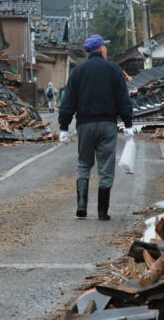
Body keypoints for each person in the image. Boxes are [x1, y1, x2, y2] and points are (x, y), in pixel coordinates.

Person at [57, 35, 133, 221]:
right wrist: (128, 124)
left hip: (85, 124)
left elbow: (68, 101)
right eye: (105, 47)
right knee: (106, 166)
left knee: (84, 163)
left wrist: (64, 126)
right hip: (107, 124)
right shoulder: (114, 70)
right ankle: (102, 211)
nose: (106, 49)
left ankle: (82, 204)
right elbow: (123, 99)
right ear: (101, 49)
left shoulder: (78, 71)